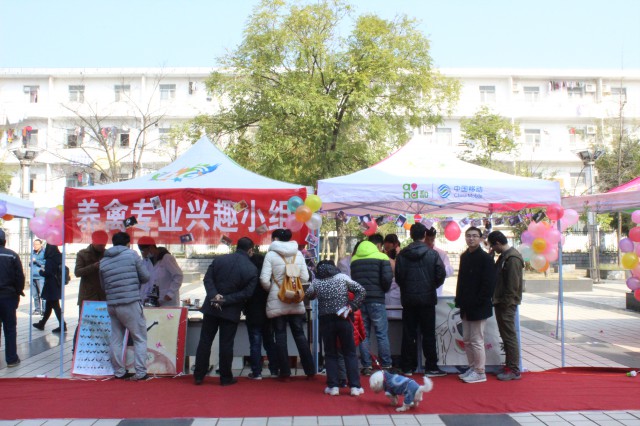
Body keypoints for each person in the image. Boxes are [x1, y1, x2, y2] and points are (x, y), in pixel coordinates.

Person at [194, 237, 258, 386]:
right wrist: (225, 300)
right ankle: (225, 377)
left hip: (211, 307)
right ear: (250, 250)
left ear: (236, 246)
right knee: (226, 344)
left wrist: (214, 296)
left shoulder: (219, 260)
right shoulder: (252, 269)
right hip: (231, 310)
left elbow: (207, 279)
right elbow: (247, 293)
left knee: (205, 341)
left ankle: (199, 375)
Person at [260, 228, 315, 380]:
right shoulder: (298, 254)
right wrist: (293, 286)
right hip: (295, 298)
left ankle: (284, 372)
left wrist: (274, 289)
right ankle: (310, 370)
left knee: (280, 334)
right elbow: (305, 277)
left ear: (276, 239)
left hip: (278, 298)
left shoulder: (271, 255)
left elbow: (264, 279)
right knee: (299, 334)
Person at [306, 260, 366, 396]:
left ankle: (333, 386)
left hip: (326, 320)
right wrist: (352, 306)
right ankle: (355, 387)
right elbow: (361, 291)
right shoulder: (342, 277)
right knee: (349, 353)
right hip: (344, 318)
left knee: (330, 353)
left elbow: (308, 295)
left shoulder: (316, 282)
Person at [395, 223, 447, 377]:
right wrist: (431, 286)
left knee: (408, 333)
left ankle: (407, 367)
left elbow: (398, 277)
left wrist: (407, 288)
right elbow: (441, 275)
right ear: (425, 235)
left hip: (409, 299)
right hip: (427, 299)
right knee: (428, 334)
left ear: (411, 235)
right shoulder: (432, 254)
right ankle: (431, 367)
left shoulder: (402, 255)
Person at [99, 232, 150, 381]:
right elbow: (145, 276)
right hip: (130, 303)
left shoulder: (103, 260)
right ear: (128, 243)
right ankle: (140, 372)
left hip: (112, 304)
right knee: (139, 337)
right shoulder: (132, 255)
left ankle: (119, 371)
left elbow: (103, 286)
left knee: (116, 339)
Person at [455, 226, 497, 384]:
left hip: (479, 306)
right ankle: (472, 367)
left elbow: (489, 284)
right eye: (468, 236)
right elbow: (461, 281)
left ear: (480, 238)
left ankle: (480, 371)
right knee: (466, 339)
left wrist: (479, 301)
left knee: (477, 339)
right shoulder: (464, 256)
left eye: (474, 236)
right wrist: (459, 300)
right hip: (465, 305)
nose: (471, 238)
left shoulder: (486, 258)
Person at [350, 234, 393, 374]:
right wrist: (382, 290)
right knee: (381, 334)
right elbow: (387, 278)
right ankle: (386, 365)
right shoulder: (382, 257)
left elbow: (354, 281)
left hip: (360, 301)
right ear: (378, 245)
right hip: (377, 300)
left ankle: (367, 366)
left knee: (364, 334)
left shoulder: (354, 259)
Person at [487, 230, 524, 381]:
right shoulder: (504, 256)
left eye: (492, 246)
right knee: (505, 335)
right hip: (501, 301)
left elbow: (513, 285)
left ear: (497, 243)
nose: (492, 249)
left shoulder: (512, 258)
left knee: (509, 336)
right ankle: (509, 366)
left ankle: (514, 369)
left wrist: (507, 303)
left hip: (506, 303)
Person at [243, 247, 278, 379]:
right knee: (270, 343)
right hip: (267, 313)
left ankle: (256, 372)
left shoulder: (248, 277)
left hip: (252, 314)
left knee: (255, 343)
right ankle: (274, 370)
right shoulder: (268, 278)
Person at [73, 230, 108, 351]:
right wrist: (93, 266)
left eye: (104, 244)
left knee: (103, 324)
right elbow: (77, 272)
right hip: (87, 296)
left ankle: (100, 350)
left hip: (104, 296)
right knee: (84, 324)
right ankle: (76, 350)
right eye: (100, 244)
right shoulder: (82, 254)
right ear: (93, 241)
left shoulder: (107, 254)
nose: (102, 246)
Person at [0, 229, 25, 367]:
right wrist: (18, 291)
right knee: (10, 328)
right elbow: (19, 276)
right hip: (8, 296)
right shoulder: (12, 255)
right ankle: (11, 359)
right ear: (5, 241)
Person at [138, 239, 183, 307]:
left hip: (168, 301)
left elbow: (178, 276)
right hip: (152, 301)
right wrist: (143, 297)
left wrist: (170, 293)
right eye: (141, 252)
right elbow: (145, 281)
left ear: (151, 247)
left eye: (144, 251)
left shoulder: (167, 258)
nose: (143, 254)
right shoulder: (146, 261)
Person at [33, 244, 65, 333]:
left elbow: (48, 273)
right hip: (57, 284)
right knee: (49, 306)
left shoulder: (50, 260)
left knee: (55, 306)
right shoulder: (59, 258)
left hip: (51, 286)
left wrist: (41, 272)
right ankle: (42, 323)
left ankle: (62, 325)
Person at [424, 227, 454, 296]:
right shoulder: (418, 252)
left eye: (432, 239)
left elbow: (448, 272)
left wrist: (439, 269)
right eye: (427, 239)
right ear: (423, 237)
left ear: (434, 238)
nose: (429, 242)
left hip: (436, 290)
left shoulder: (441, 253)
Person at [383, 234, 402, 320]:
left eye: (388, 248)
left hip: (396, 291)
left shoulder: (400, 255)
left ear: (395, 244)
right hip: (389, 291)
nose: (387, 250)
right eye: (386, 248)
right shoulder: (384, 256)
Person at [30, 239, 45, 316]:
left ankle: (44, 311)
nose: (35, 246)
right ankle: (37, 309)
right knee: (35, 295)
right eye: (34, 244)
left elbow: (45, 263)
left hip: (40, 277)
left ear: (41, 245)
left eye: (37, 244)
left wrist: (36, 261)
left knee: (42, 295)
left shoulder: (44, 253)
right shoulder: (32, 252)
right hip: (33, 276)